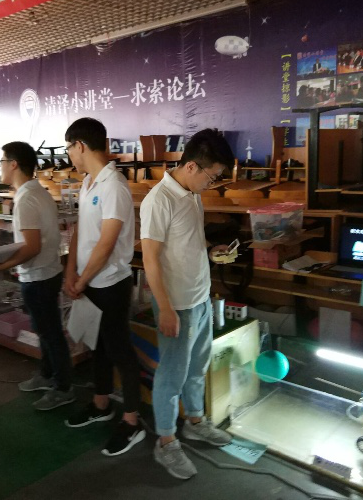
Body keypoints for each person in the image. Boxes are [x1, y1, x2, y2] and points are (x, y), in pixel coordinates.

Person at [140, 129, 234, 480]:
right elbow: (150, 259)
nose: (213, 183)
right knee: (172, 374)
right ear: (192, 166)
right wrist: (165, 308)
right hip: (176, 303)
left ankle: (195, 422)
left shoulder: (192, 193)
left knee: (197, 367)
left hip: (200, 296)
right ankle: (166, 441)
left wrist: (211, 250)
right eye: (213, 176)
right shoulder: (158, 200)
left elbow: (189, 239)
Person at [62, 117, 145, 457]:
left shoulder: (114, 186)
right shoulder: (88, 183)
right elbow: (80, 232)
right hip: (88, 280)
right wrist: (71, 272)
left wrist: (81, 280)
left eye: (69, 148)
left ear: (80, 145)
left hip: (110, 283)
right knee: (98, 346)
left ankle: (132, 421)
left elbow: (107, 243)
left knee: (120, 350)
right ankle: (101, 404)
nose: (69, 155)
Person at [0, 141, 73, 410]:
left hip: (38, 276)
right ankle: (47, 374)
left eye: (2, 162)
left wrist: (4, 265)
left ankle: (63, 387)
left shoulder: (26, 199)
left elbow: (31, 247)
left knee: (50, 333)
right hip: (46, 272)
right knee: (45, 330)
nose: (0, 167)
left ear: (13, 164)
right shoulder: (38, 192)